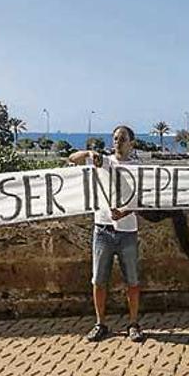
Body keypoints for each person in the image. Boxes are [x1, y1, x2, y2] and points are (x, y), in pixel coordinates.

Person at [69, 125, 145, 343]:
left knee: (132, 280)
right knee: (99, 280)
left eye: (122, 139)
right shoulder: (103, 162)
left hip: (128, 231)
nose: (117, 142)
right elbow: (71, 159)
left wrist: (124, 212)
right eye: (115, 139)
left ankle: (133, 323)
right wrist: (87, 153)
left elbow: (142, 199)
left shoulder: (138, 169)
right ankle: (100, 323)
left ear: (132, 143)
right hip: (103, 229)